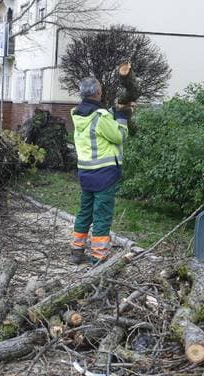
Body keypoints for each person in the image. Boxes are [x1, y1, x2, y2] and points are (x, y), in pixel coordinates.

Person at [70, 77, 132, 264]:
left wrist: (112, 111)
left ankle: (76, 250)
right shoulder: (100, 117)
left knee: (84, 212)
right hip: (104, 174)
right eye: (101, 90)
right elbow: (119, 136)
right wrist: (122, 118)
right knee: (102, 214)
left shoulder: (78, 113)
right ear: (97, 92)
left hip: (85, 173)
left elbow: (101, 120)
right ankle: (99, 256)